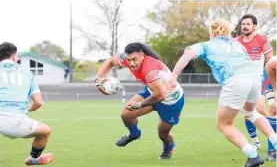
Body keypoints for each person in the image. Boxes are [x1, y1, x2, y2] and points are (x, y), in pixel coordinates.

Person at [166, 19, 277, 167]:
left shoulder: (206, 45)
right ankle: (275, 141)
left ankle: (253, 155)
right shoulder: (237, 44)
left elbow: (187, 55)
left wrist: (173, 77)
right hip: (255, 80)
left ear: (212, 32)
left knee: (224, 124)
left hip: (236, 81)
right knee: (251, 113)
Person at [95, 42, 185, 159]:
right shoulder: (128, 59)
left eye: (134, 60)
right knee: (126, 115)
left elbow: (160, 96)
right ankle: (134, 135)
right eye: (129, 60)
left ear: (142, 55)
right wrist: (98, 80)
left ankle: (169, 147)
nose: (131, 63)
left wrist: (139, 105)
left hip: (171, 101)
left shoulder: (150, 70)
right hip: (153, 91)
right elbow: (111, 61)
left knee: (162, 133)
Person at [0, 42, 54, 165]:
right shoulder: (27, 73)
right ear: (14, 56)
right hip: (14, 122)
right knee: (45, 132)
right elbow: (38, 103)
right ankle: (33, 159)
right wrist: (28, 108)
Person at [236, 15, 275, 157]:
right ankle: (256, 142)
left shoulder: (262, 41)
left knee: (262, 110)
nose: (245, 26)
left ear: (254, 26)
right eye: (243, 24)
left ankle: (272, 138)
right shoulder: (236, 43)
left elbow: (271, 63)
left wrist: (270, 82)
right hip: (242, 82)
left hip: (259, 80)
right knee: (247, 115)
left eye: (248, 24)